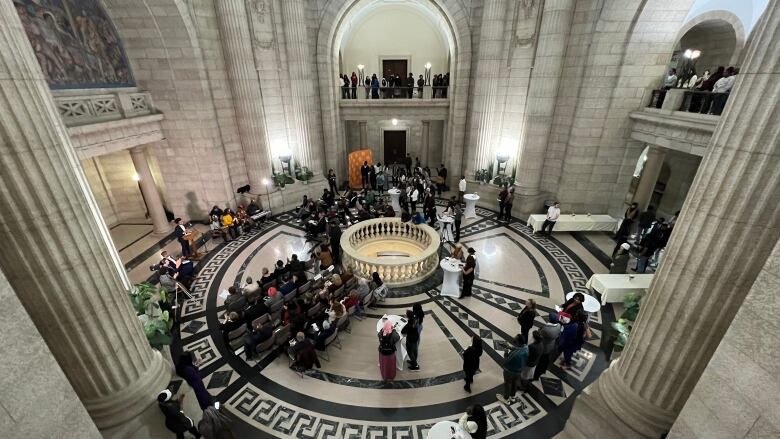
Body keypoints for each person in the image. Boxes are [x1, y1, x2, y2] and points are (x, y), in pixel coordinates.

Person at [496, 335, 529, 405]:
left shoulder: (515, 354)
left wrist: (506, 352)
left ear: (517, 342)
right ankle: (513, 396)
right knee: (515, 383)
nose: (513, 339)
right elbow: (518, 349)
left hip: (510, 371)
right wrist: (509, 347)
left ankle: (506, 398)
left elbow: (506, 361)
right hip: (519, 371)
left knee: (508, 384)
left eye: (515, 339)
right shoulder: (526, 348)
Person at [533, 312, 562, 381]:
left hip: (544, 346)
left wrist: (539, 330)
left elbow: (540, 335)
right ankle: (544, 370)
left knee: (541, 361)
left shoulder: (546, 329)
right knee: (546, 359)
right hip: (551, 344)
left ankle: (536, 375)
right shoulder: (558, 325)